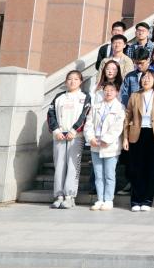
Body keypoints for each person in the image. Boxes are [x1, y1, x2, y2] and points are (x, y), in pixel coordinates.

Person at [122, 69, 154, 212]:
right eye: (143, 77)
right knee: (136, 168)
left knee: (151, 169)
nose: (146, 80)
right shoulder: (135, 95)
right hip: (137, 134)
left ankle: (147, 200)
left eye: (149, 77)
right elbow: (127, 117)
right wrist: (125, 137)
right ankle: (135, 200)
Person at [47, 70, 91, 210]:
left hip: (75, 136)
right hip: (59, 136)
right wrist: (56, 130)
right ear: (66, 81)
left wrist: (74, 130)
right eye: (70, 79)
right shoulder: (59, 97)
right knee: (59, 165)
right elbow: (51, 114)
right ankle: (59, 196)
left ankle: (69, 196)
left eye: (76, 79)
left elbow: (85, 115)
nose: (72, 82)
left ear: (81, 81)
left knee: (73, 167)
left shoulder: (85, 97)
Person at [83, 81, 124, 211]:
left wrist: (106, 139)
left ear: (116, 92)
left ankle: (108, 200)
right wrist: (90, 138)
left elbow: (118, 127)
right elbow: (88, 124)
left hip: (110, 146)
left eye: (112, 90)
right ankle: (100, 199)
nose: (108, 92)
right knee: (98, 174)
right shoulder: (96, 107)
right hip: (95, 144)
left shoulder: (120, 108)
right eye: (106, 90)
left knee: (109, 174)